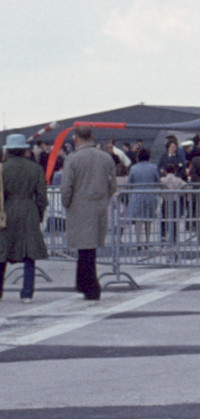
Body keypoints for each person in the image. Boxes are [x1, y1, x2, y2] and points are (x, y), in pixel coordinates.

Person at [61, 123, 116, 300]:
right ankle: (84, 283)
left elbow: (66, 186)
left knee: (84, 248)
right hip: (99, 206)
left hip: (79, 206)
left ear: (76, 139)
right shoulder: (106, 157)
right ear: (91, 137)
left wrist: (66, 202)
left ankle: (90, 286)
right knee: (90, 248)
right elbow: (113, 185)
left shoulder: (72, 159)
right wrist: (103, 198)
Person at [0, 133, 48, 300]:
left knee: (2, 251)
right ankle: (27, 293)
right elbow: (42, 196)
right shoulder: (35, 168)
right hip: (29, 210)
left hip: (7, 210)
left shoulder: (2, 168)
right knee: (29, 252)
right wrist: (40, 214)